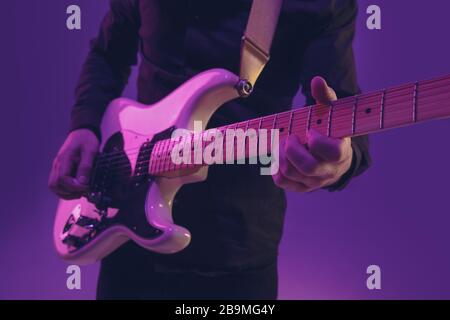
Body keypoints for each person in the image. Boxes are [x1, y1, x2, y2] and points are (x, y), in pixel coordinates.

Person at [49, 0, 371, 299]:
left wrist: (340, 161)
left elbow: (343, 116)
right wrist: (85, 125)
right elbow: (109, 53)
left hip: (235, 256)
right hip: (129, 235)